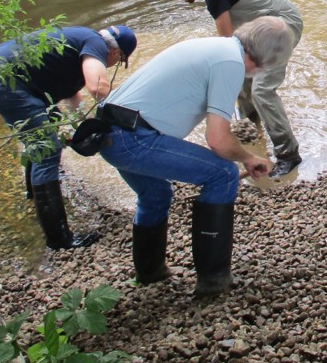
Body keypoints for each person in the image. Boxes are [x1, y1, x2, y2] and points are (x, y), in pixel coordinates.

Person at [94, 16, 292, 295]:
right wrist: (249, 157)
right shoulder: (231, 63)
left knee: (156, 195)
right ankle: (213, 281)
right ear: (268, 60)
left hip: (108, 132)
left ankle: (150, 273)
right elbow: (218, 140)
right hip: (132, 139)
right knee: (223, 174)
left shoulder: (216, 47)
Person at [0, 25, 137, 249]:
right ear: (115, 52)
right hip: (6, 82)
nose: (112, 64)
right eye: (119, 61)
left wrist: (84, 129)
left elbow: (73, 100)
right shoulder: (96, 44)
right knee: (48, 150)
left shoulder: (76, 47)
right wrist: (123, 118)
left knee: (44, 133)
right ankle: (59, 239)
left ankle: (34, 193)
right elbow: (98, 87)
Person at [163, 0, 305, 179]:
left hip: (282, 30)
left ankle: (288, 154)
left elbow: (227, 44)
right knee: (243, 72)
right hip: (268, 28)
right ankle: (251, 127)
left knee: (262, 91)